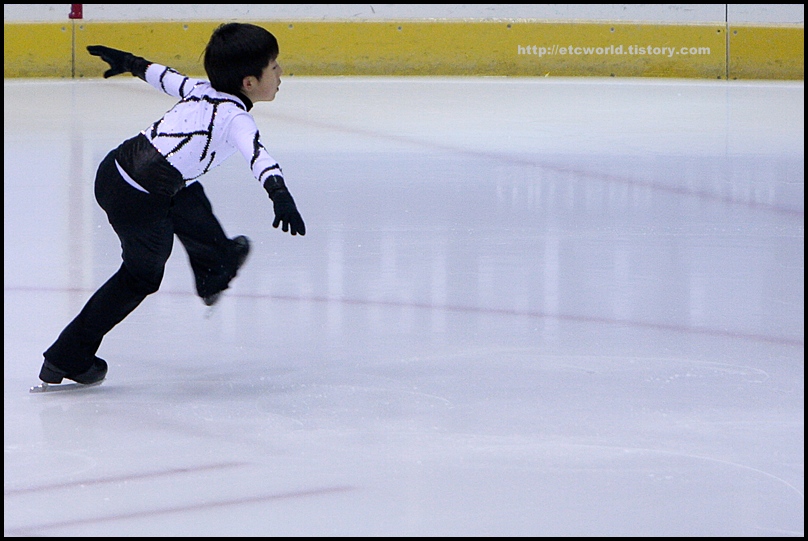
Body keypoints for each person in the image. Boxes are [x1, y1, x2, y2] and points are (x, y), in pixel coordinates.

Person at [36, 23, 305, 388]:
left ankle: (215, 266)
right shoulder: (236, 118)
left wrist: (129, 61)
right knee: (140, 277)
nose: (280, 72)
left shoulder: (200, 89)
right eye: (274, 66)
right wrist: (279, 193)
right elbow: (258, 155)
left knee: (185, 192)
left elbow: (163, 76)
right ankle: (66, 357)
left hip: (114, 169)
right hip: (140, 199)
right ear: (249, 83)